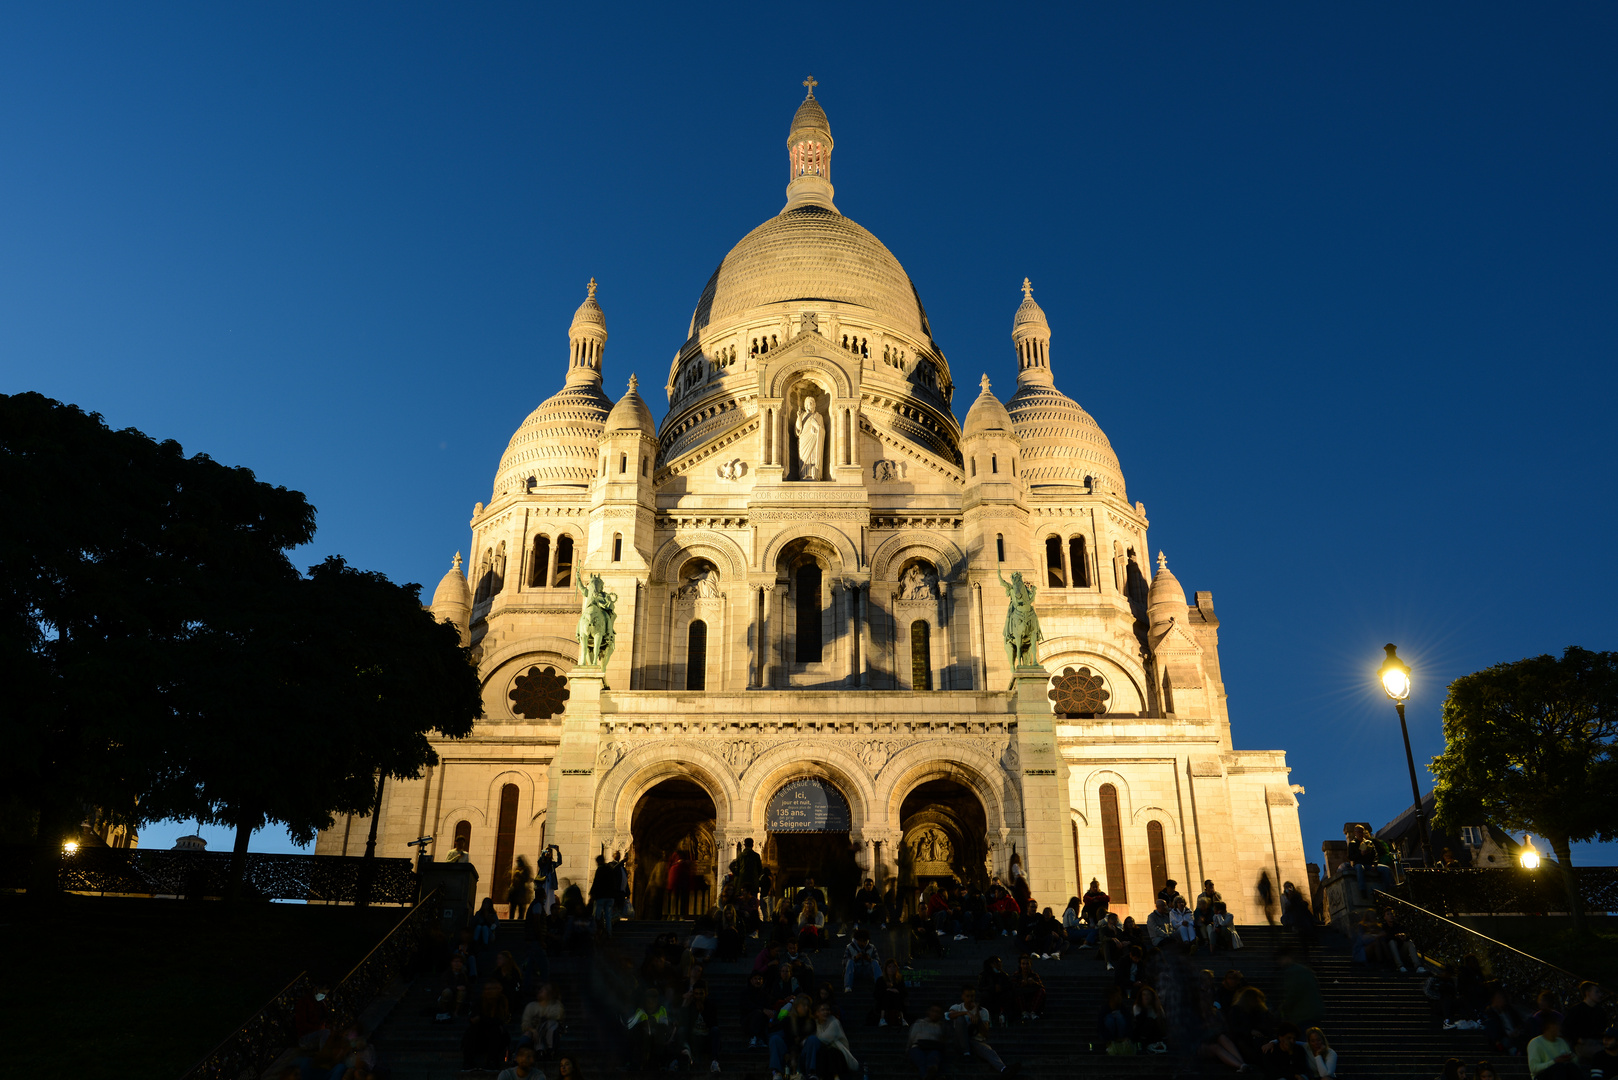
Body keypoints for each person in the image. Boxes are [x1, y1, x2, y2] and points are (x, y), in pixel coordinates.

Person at [947, 985, 1021, 1075]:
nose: (970, 999)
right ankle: (966, 1053)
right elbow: (949, 1015)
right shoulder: (957, 1007)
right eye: (967, 996)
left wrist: (977, 1014)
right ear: (962, 996)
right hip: (960, 1042)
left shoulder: (983, 1011)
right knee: (959, 1018)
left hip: (975, 1041)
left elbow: (985, 1032)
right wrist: (966, 1012)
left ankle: (1004, 1069)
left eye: (972, 996)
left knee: (988, 1050)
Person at [804, 1000, 860, 1079]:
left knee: (831, 1052)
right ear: (817, 1013)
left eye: (827, 1010)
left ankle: (836, 1076)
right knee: (821, 1052)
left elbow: (824, 1038)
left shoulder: (834, 1022)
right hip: (824, 1054)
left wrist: (810, 1041)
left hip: (838, 1053)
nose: (826, 1012)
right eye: (823, 1010)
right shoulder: (815, 1023)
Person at [626, 988, 678, 1072]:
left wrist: (654, 1026)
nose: (651, 1003)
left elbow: (664, 1026)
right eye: (649, 1000)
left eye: (654, 1000)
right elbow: (631, 1026)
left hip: (657, 1044)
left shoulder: (661, 1010)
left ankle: (657, 1063)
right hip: (642, 1044)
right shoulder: (640, 1011)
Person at [768, 994, 817, 1080]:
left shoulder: (811, 1022)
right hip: (788, 1051)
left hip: (803, 1052)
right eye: (803, 1005)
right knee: (775, 1039)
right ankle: (777, 1072)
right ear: (797, 1006)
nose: (806, 1008)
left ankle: (811, 1072)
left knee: (813, 1040)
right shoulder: (788, 1020)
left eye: (807, 1006)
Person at [678, 981, 723, 1075]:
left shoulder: (710, 1006)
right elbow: (683, 1022)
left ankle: (715, 1061)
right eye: (696, 994)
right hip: (694, 1039)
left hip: (706, 1039)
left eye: (701, 994)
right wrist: (685, 1006)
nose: (698, 996)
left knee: (716, 1031)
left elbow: (713, 1024)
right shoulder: (691, 1005)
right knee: (682, 1031)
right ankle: (686, 1057)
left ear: (705, 993)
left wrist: (702, 1012)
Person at [1275, 949, 1324, 1031]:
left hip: (1302, 1014)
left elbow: (1293, 994)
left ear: (1286, 958)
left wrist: (1282, 1009)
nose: (1279, 963)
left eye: (1280, 960)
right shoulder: (1305, 970)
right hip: (1314, 1011)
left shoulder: (1292, 972)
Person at [1564, 982, 1607, 1061]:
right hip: (1584, 1044)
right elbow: (1566, 1028)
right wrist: (1577, 1039)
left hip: (1599, 1042)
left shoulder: (1601, 1012)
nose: (1600, 995)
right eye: (1596, 992)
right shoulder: (1577, 1010)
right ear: (1588, 993)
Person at [1528, 1014, 1579, 1079]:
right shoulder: (1535, 1043)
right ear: (1548, 1027)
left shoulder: (1561, 1041)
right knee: (1559, 1067)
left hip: (1562, 1072)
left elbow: (1575, 1062)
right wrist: (1554, 1062)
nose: (1559, 1028)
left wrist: (1571, 1057)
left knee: (1570, 1067)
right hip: (1542, 1076)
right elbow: (1534, 1068)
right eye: (1556, 1025)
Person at [907, 1002, 951, 1078]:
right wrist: (907, 1050)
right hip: (918, 1047)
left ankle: (928, 1074)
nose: (934, 1014)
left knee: (933, 1059)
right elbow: (912, 1037)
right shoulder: (920, 1023)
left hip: (934, 1048)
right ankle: (928, 1075)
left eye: (937, 1012)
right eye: (933, 1011)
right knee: (921, 1061)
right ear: (928, 1012)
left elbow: (945, 1040)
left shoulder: (942, 1026)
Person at [520, 983, 563, 1056]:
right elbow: (525, 1023)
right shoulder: (531, 1006)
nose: (539, 991)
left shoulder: (556, 1005)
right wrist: (532, 1030)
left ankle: (548, 1050)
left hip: (550, 1033)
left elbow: (557, 1016)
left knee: (551, 1024)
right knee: (525, 1038)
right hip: (534, 1033)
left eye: (543, 990)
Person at [977, 956, 1015, 1027]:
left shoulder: (1004, 975)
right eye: (998, 962)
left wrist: (1001, 988)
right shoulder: (985, 975)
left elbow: (1009, 986)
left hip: (1001, 996)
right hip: (990, 996)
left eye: (1000, 962)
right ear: (992, 964)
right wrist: (993, 988)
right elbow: (981, 987)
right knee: (985, 996)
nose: (1000, 964)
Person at [843, 927, 882, 994]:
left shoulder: (872, 948)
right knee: (850, 961)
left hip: (867, 970)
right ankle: (848, 986)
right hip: (855, 971)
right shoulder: (849, 947)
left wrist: (869, 959)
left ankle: (880, 986)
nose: (862, 943)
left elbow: (878, 962)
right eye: (860, 941)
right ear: (856, 940)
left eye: (864, 941)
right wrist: (855, 958)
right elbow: (844, 963)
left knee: (875, 962)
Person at [874, 957, 909, 1027]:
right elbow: (876, 993)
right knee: (887, 994)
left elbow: (904, 992)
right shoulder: (881, 980)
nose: (892, 969)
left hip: (896, 1001)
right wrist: (887, 990)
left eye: (894, 967)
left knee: (896, 995)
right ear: (886, 968)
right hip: (884, 1002)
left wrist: (896, 991)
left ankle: (902, 1018)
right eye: (889, 967)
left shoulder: (899, 980)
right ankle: (882, 1018)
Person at [1131, 984, 1166, 1052]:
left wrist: (1158, 1009)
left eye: (1148, 994)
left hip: (1155, 1032)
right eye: (1144, 994)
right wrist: (1145, 1008)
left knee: (1153, 1021)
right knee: (1149, 1021)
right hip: (1142, 1032)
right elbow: (1139, 1021)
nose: (1146, 997)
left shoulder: (1156, 1007)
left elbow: (1162, 1021)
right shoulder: (1137, 1006)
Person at [1012, 953, 1046, 1021]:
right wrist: (1021, 984)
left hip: (1032, 997)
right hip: (1021, 998)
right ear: (1020, 965)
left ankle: (1033, 1012)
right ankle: (1024, 1012)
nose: (1025, 966)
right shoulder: (1016, 975)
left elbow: (1041, 986)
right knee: (1016, 991)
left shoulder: (1034, 975)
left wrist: (1034, 983)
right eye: (1023, 964)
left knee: (1041, 991)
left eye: (1027, 964)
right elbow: (1012, 986)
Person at [509, 854, 535, 919]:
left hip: (522, 892)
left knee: (521, 909)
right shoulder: (516, 869)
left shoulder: (526, 869)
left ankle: (520, 919)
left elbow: (528, 878)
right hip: (515, 891)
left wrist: (521, 875)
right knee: (512, 908)